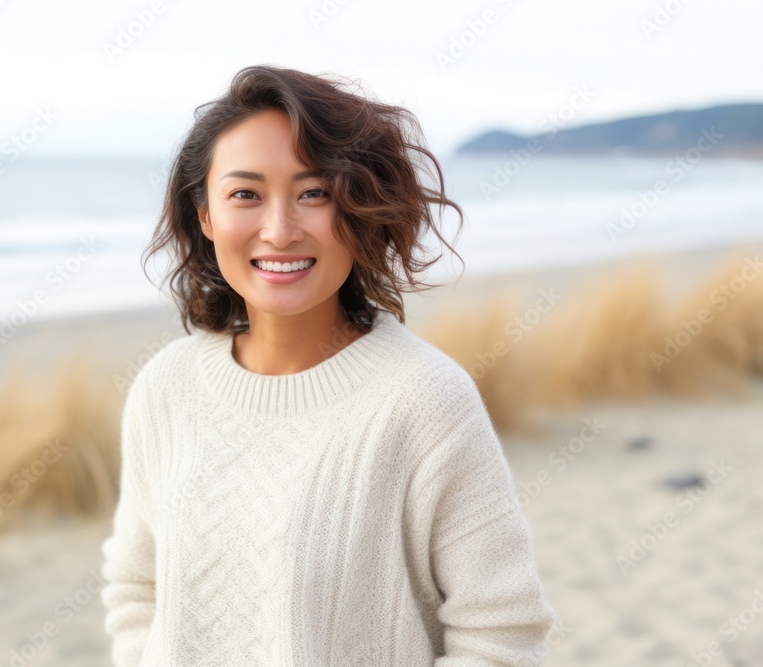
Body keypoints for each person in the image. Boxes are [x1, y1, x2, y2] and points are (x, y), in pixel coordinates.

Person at [100, 64, 556, 666]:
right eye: (245, 194)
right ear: (206, 215)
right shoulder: (166, 387)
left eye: (314, 192)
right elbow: (137, 589)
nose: (280, 230)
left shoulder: (425, 399)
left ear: (360, 208)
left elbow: (502, 633)